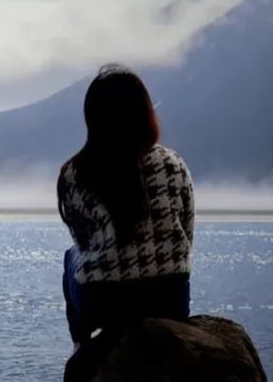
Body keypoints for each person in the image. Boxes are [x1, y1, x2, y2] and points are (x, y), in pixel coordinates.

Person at [58, 64, 194, 350]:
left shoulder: (76, 172)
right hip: (171, 298)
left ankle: (82, 347)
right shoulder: (173, 163)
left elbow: (83, 243)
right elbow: (186, 231)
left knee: (70, 257)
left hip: (106, 301)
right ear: (145, 112)